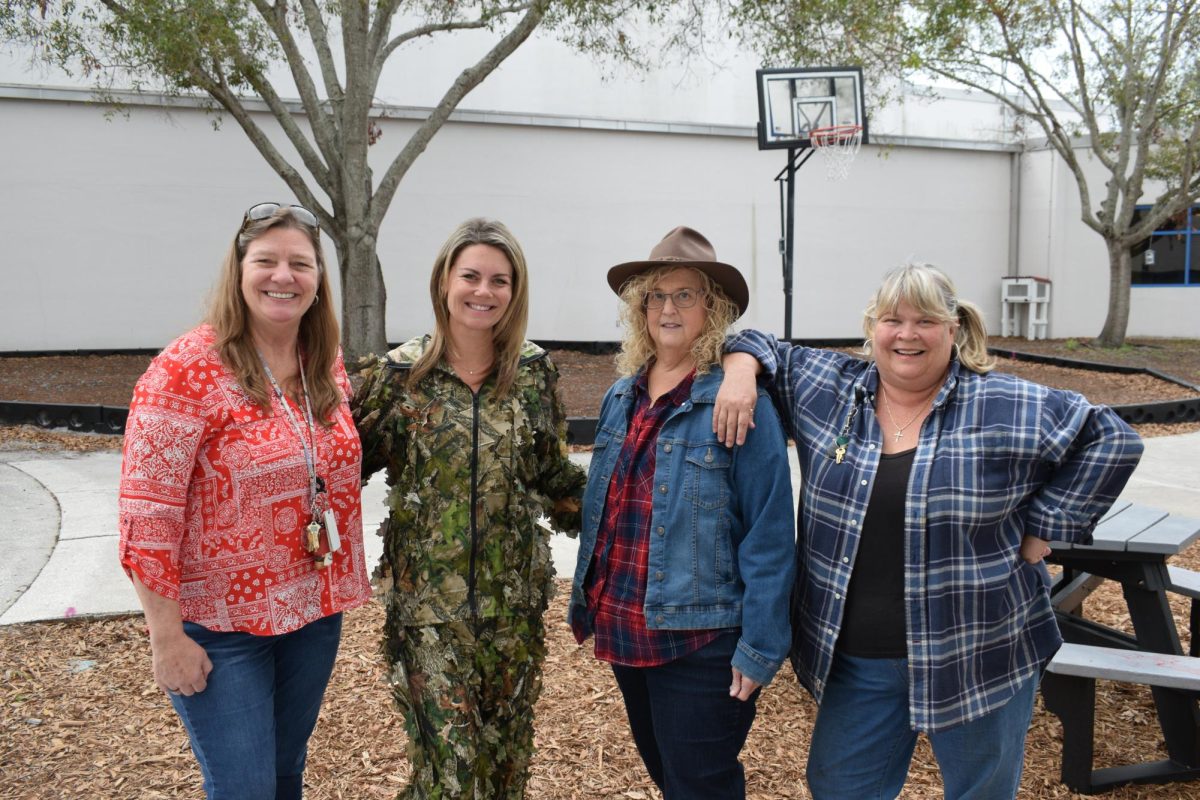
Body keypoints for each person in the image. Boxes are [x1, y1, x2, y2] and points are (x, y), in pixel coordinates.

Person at [714, 263, 1144, 800]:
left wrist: (1046, 524)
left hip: (978, 653)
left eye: (926, 321)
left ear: (954, 328)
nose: (908, 334)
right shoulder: (829, 388)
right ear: (872, 328)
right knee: (841, 788)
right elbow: (753, 340)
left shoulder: (1005, 404)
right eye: (893, 319)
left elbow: (1111, 438)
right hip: (858, 660)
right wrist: (738, 374)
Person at [118, 202, 372, 799]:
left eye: (300, 264)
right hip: (220, 626)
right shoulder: (184, 370)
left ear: (317, 282)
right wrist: (166, 637)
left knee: (285, 774)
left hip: (310, 613)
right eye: (267, 260)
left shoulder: (323, 363)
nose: (283, 276)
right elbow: (147, 514)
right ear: (239, 271)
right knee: (244, 787)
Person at [352, 217, 585, 799]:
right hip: (429, 610)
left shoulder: (533, 374)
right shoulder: (401, 376)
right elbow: (338, 466)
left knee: (504, 770)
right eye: (471, 276)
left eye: (500, 281)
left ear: (515, 291)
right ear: (444, 282)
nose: (484, 291)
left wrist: (630, 509)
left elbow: (552, 476)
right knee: (451, 776)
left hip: (513, 610)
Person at [567, 226, 796, 799]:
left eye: (685, 295)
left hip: (702, 640)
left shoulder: (739, 400)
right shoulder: (621, 395)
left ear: (711, 308)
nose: (668, 308)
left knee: (702, 784)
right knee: (670, 778)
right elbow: (607, 504)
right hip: (627, 627)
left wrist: (762, 644)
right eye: (656, 295)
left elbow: (769, 531)